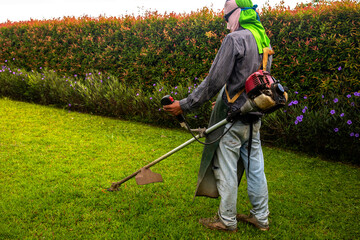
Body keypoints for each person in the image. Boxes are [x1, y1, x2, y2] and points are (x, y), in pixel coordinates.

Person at [163, 0, 272, 232]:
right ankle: (261, 218)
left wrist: (184, 105)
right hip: (255, 116)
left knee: (226, 169)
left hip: (233, 120)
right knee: (255, 168)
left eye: (226, 18)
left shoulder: (235, 40)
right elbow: (254, 80)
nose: (226, 25)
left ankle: (227, 220)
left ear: (238, 14)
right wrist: (226, 96)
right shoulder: (263, 39)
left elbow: (214, 81)